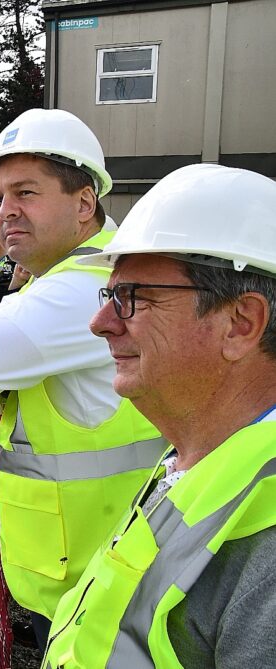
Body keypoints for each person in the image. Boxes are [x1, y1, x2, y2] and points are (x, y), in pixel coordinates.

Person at [0, 108, 165, 647]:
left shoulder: (86, 290)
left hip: (94, 592)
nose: (6, 212)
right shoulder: (78, 277)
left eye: (25, 193)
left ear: (84, 203)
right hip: (94, 576)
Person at [43, 164, 276, 668]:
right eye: (109, 295)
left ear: (241, 323)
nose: (99, 323)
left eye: (132, 297)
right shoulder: (205, 456)